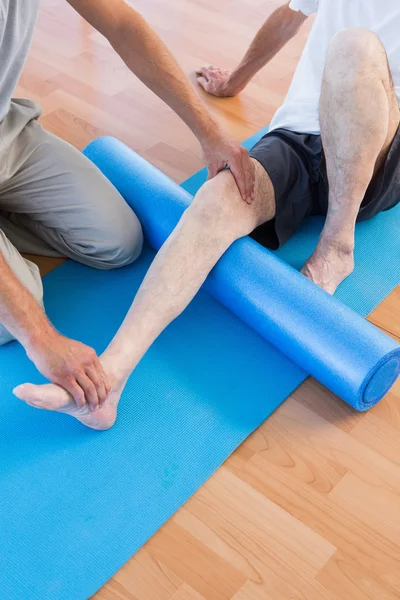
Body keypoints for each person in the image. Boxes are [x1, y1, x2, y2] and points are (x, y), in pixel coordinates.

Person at [15, 0, 400, 429]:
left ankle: (336, 245)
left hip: (380, 145)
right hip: (296, 136)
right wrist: (234, 82)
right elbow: (288, 17)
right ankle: (109, 380)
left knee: (354, 45)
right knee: (216, 198)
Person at [0, 0, 254, 412]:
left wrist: (208, 131)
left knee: (119, 243)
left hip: (5, 131)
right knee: (10, 325)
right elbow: (32, 332)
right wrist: (41, 339)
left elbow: (122, 25)